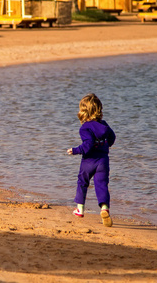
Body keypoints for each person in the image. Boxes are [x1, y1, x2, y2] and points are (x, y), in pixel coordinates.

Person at [67, 93, 116, 227]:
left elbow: (87, 146)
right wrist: (106, 145)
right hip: (103, 160)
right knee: (101, 184)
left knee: (82, 182)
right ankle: (104, 208)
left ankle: (80, 209)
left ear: (83, 112)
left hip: (89, 160)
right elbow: (112, 137)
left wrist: (75, 150)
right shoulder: (104, 125)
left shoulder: (85, 128)